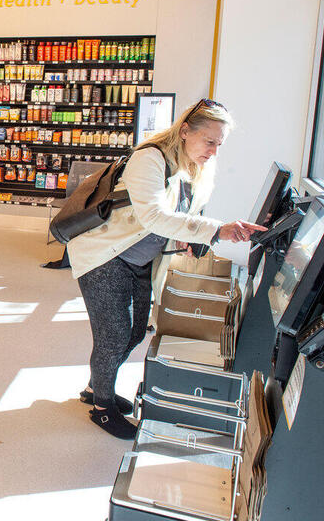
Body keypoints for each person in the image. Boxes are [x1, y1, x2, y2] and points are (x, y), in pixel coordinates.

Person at [66, 99, 266, 440]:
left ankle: (94, 386)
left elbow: (174, 217)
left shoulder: (187, 165)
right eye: (210, 142)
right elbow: (153, 217)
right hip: (105, 257)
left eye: (220, 144)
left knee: (132, 333)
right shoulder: (150, 158)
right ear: (185, 131)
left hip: (137, 259)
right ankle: (101, 409)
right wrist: (216, 229)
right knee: (113, 335)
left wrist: (193, 238)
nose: (214, 151)